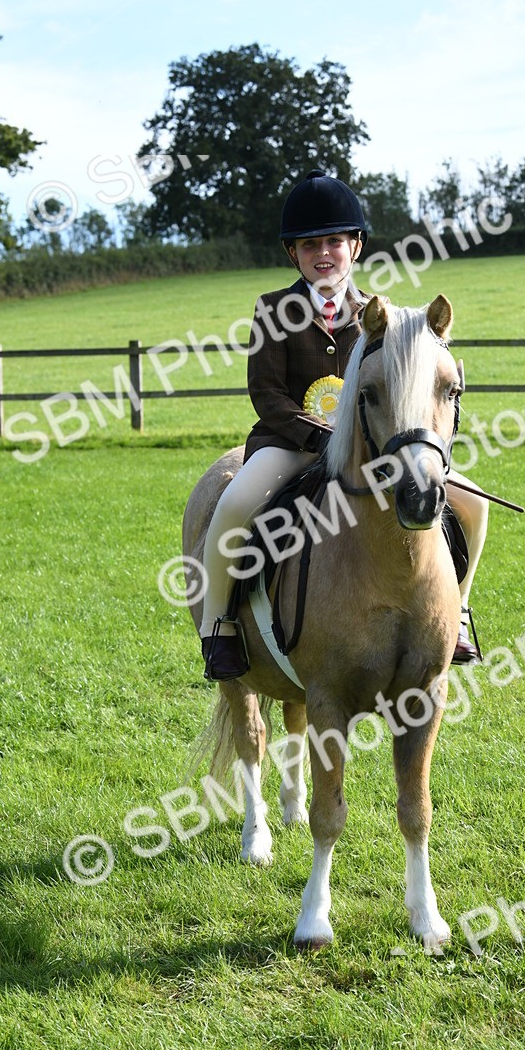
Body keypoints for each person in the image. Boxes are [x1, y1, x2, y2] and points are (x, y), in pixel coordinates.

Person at [199, 170, 488, 681]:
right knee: (234, 504)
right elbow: (267, 395)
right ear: (294, 253)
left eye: (335, 241)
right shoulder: (273, 310)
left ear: (355, 245)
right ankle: (219, 624)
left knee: (473, 504)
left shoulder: (382, 317)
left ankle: (457, 610)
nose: (324, 253)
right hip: (292, 444)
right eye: (311, 245)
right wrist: (316, 433)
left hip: (372, 447)